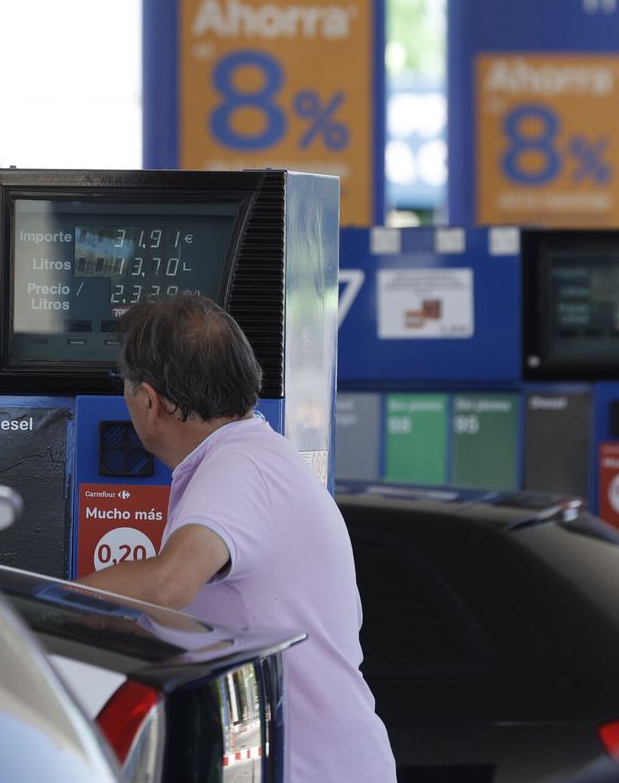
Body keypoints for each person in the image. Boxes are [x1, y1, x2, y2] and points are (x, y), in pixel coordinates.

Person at [76, 293, 396, 782]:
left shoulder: (239, 468)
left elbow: (169, 584)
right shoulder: (253, 456)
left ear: (148, 401)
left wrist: (54, 604)